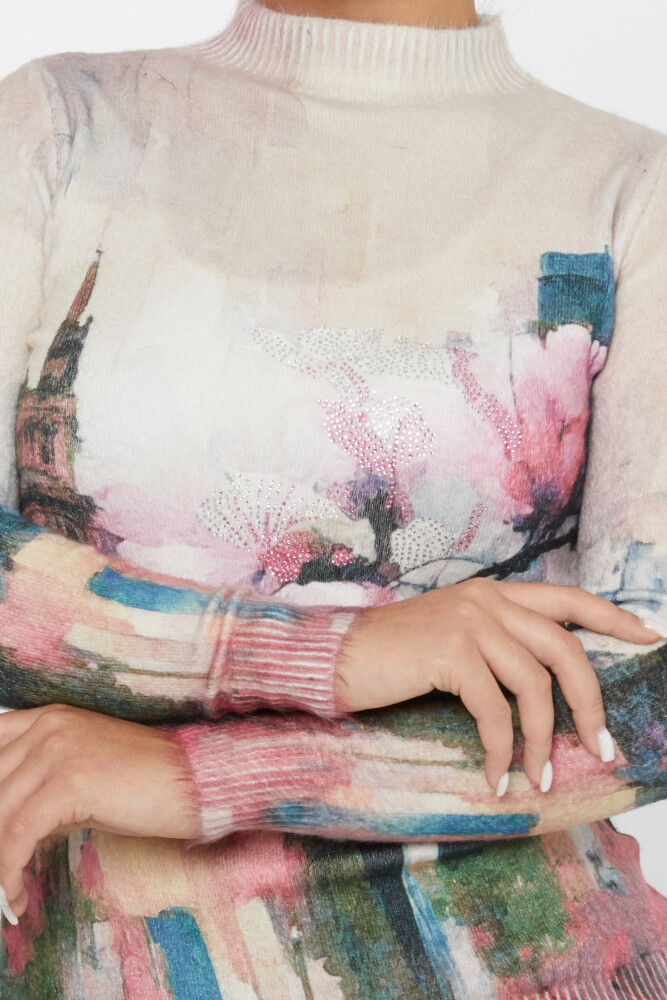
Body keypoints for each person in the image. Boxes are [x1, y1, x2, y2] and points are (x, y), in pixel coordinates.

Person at [0, 0, 665, 994]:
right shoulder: (61, 126)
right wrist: (339, 655)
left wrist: (200, 777)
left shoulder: (630, 189)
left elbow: (647, 700)